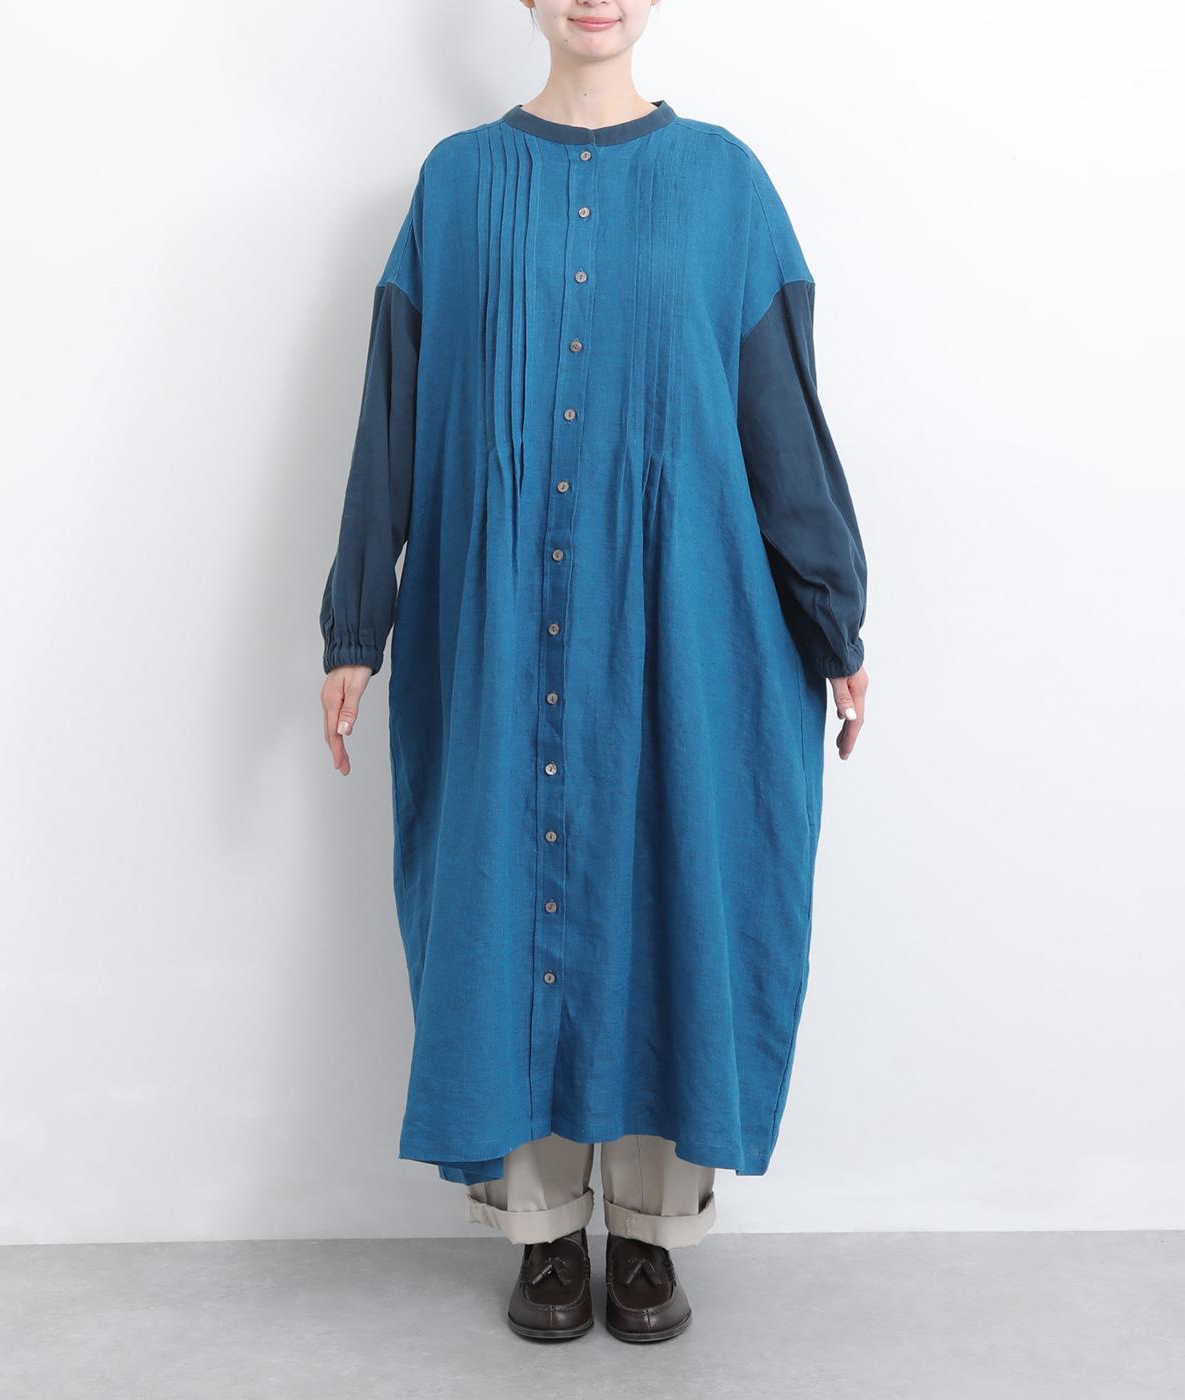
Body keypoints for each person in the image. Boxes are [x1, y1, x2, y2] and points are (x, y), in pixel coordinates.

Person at [318, 0, 868, 1344]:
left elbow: (780, 416)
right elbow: (392, 409)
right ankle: (544, 1231)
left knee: (673, 887)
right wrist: (353, 626)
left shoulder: (725, 185)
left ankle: (654, 1232)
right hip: (496, 622)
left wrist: (833, 616)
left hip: (688, 622)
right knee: (500, 890)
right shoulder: (455, 187)